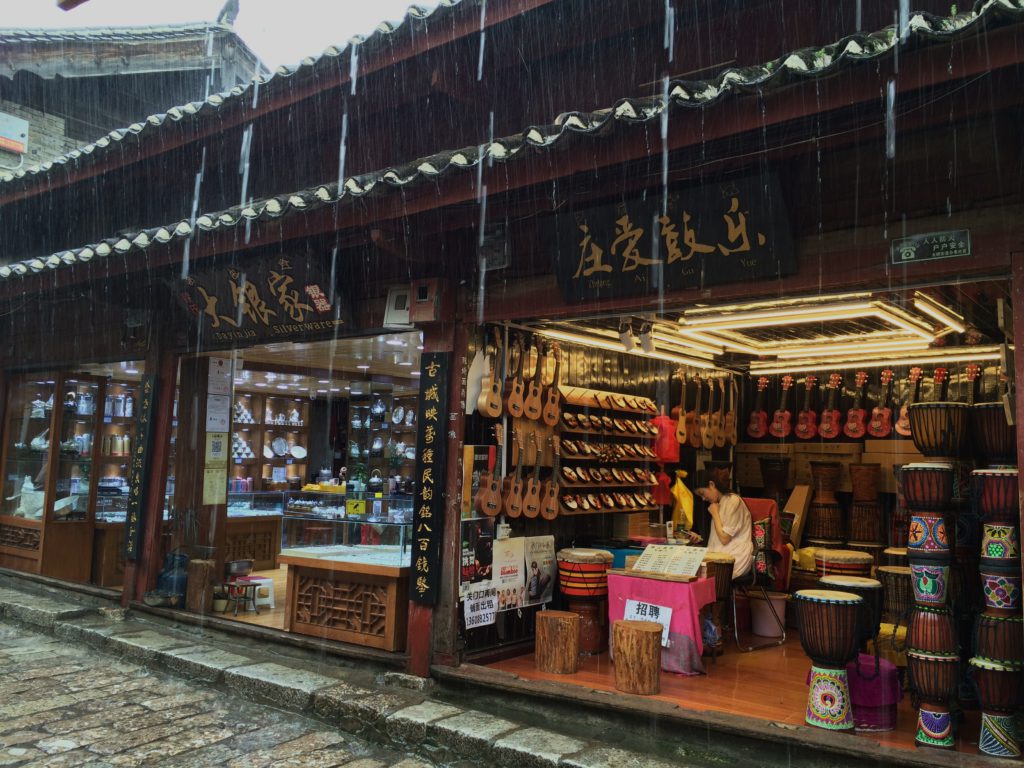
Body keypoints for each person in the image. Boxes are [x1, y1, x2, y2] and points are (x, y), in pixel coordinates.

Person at [685, 480, 753, 579]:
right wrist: (698, 539)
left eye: (702, 493)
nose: (703, 499)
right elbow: (716, 538)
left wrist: (715, 513)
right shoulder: (719, 503)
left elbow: (724, 539)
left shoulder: (733, 500)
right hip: (721, 553)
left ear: (711, 485)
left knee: (697, 573)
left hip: (735, 557)